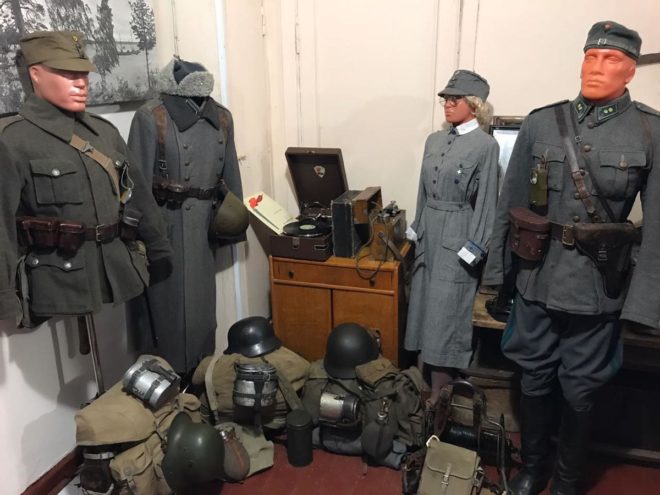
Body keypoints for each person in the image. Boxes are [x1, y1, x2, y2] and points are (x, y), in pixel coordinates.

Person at [482, 21, 660, 495]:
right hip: (537, 277)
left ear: (630, 71)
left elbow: (658, 229)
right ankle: (533, 468)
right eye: (590, 56)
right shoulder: (543, 122)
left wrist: (643, 307)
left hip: (598, 288)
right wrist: (499, 277)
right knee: (533, 376)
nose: (596, 67)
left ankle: (566, 480)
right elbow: (509, 204)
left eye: (611, 59)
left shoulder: (649, 131)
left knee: (581, 388)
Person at [0, 30, 171, 326]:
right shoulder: (12, 140)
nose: (81, 83)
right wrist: (5, 298)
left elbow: (139, 197)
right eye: (68, 74)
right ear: (36, 74)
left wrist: (159, 249)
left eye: (83, 74)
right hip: (57, 280)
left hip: (115, 269)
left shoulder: (103, 133)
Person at [125, 58, 245, 375]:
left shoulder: (221, 117)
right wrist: (139, 237)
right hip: (165, 228)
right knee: (168, 315)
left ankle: (199, 374)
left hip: (204, 227)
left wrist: (232, 225)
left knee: (201, 310)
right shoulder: (152, 117)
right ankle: (170, 378)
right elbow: (137, 184)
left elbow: (231, 176)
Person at [404, 70, 500, 404]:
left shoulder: (486, 146)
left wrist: (475, 247)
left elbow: (487, 201)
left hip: (458, 233)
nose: (447, 104)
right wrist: (417, 226)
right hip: (429, 232)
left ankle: (440, 392)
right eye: (446, 98)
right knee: (423, 305)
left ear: (474, 105)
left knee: (447, 312)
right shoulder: (434, 140)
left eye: (455, 99)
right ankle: (420, 381)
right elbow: (423, 190)